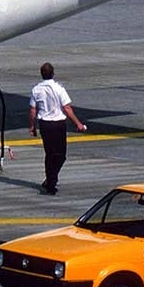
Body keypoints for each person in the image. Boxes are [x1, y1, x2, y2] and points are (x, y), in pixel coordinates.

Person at [29, 62, 86, 194]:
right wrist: (78, 123)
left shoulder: (36, 89)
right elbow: (66, 108)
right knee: (61, 155)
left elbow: (32, 110)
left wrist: (32, 126)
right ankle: (51, 182)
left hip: (45, 125)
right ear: (53, 74)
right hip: (58, 125)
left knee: (50, 154)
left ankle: (50, 179)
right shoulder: (59, 88)